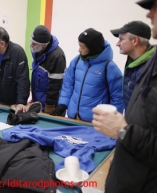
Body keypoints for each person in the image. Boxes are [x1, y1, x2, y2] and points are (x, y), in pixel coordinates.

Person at [92, 1, 157, 192]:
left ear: (135, 41)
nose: (149, 14)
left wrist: (123, 132)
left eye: (121, 38)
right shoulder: (140, 64)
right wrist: (122, 148)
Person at [50, 28, 124, 122]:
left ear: (92, 49)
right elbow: (68, 84)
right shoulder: (76, 61)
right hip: (73, 117)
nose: (79, 50)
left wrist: (113, 121)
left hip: (95, 122)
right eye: (79, 45)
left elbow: (118, 97)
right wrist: (63, 103)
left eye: (82, 47)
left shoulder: (109, 68)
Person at [110, 21, 154, 110]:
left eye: (121, 39)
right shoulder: (133, 65)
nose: (117, 44)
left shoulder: (152, 69)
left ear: (135, 40)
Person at [30, 25, 66, 113]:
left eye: (34, 44)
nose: (31, 45)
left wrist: (49, 106)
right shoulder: (37, 50)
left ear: (45, 45)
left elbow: (55, 85)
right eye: (31, 41)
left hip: (50, 104)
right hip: (38, 101)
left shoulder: (57, 57)